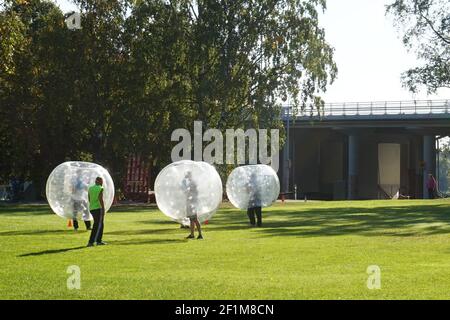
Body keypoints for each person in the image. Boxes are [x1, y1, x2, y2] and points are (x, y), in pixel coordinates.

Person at [182, 171, 203, 239]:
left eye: (187, 175)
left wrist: (187, 193)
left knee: (194, 219)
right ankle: (192, 235)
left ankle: (200, 235)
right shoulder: (191, 182)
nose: (186, 176)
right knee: (192, 219)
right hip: (191, 203)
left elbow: (192, 193)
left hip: (192, 203)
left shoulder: (192, 183)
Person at [87, 177, 107, 247]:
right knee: (97, 225)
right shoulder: (100, 188)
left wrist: (93, 204)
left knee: (99, 224)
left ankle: (98, 240)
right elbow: (100, 199)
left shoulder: (90, 188)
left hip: (92, 208)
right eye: (101, 181)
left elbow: (89, 199)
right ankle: (91, 242)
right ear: (98, 181)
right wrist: (103, 208)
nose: (102, 182)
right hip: (98, 208)